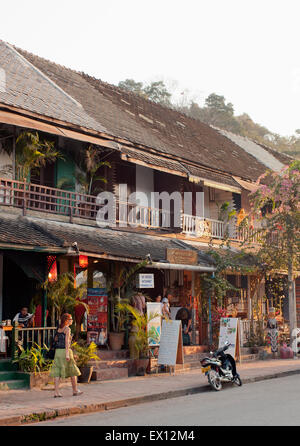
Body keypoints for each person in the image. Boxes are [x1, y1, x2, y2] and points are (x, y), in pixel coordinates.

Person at [49, 313, 82, 398]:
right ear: (66, 320)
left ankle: (56, 392)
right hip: (65, 351)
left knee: (57, 372)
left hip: (58, 352)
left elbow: (56, 340)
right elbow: (67, 343)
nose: (72, 321)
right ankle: (75, 390)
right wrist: (67, 354)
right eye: (70, 319)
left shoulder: (59, 328)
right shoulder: (67, 329)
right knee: (72, 371)